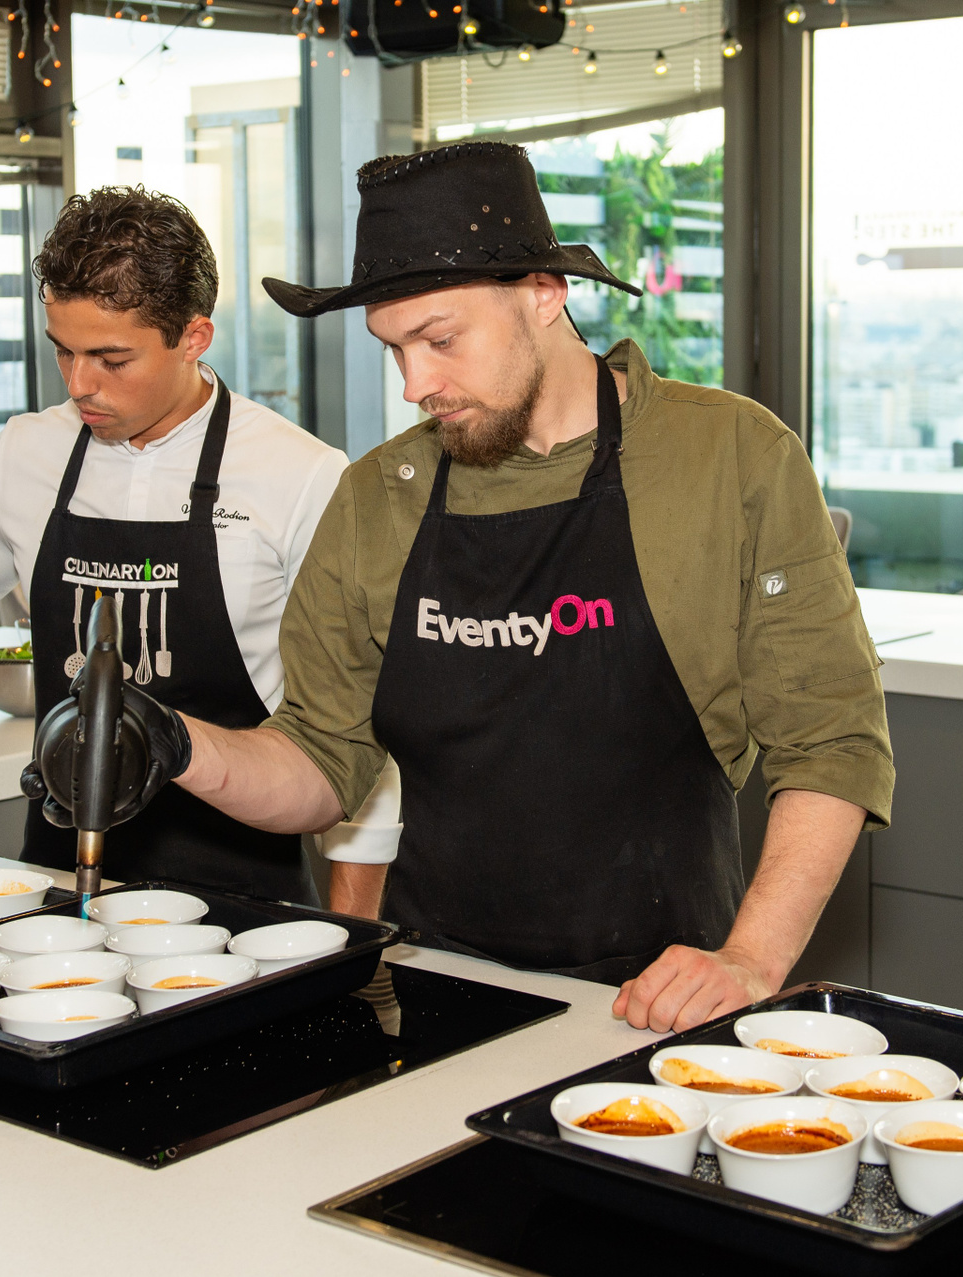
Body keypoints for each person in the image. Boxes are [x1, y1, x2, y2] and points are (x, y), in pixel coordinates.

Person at [107, 142, 895, 1031]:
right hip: (438, 991)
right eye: (394, 349)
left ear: (543, 294)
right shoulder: (376, 499)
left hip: (665, 1001)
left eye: (441, 340)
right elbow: (321, 762)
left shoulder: (731, 458)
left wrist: (750, 958)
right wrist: (175, 743)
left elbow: (831, 740)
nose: (416, 384)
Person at [0, 187, 393, 902]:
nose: (79, 384)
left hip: (244, 896)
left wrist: (357, 929)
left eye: (111, 359)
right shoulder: (26, 453)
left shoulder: (302, 474)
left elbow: (359, 734)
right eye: (63, 351)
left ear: (193, 338)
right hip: (57, 882)